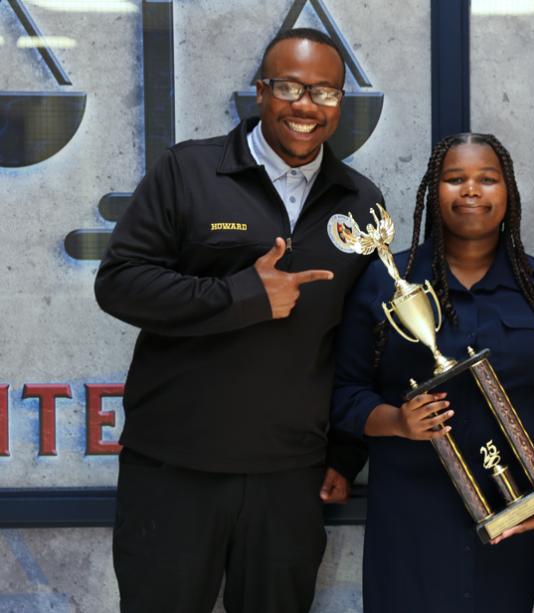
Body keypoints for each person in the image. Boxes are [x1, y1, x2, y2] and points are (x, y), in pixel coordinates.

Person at [94, 28, 381, 613]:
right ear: (260, 91)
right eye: (290, 87)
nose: (306, 106)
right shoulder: (188, 171)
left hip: (289, 478)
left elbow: (359, 343)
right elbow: (120, 283)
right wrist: (242, 295)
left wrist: (346, 454)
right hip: (175, 469)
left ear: (340, 103)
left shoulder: (360, 202)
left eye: (324, 92)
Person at [331, 133, 534, 612]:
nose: (471, 190)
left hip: (518, 518)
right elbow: (344, 393)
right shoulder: (387, 281)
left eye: (487, 179)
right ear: (432, 190)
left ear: (508, 192)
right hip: (412, 514)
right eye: (455, 179)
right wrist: (398, 422)